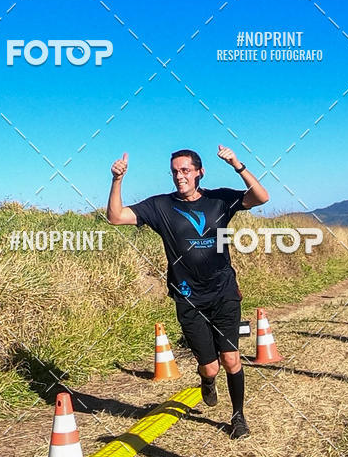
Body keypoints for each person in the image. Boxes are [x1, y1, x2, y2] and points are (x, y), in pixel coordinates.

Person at [106, 146, 270, 438]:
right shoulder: (161, 206)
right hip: (188, 297)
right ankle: (207, 381)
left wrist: (236, 163)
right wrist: (117, 179)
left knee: (230, 359)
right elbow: (116, 216)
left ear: (199, 172)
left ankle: (238, 417)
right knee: (210, 368)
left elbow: (261, 196)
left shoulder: (219, 199)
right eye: (175, 171)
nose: (179, 176)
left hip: (224, 291)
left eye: (185, 170)